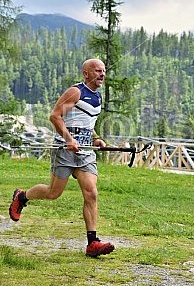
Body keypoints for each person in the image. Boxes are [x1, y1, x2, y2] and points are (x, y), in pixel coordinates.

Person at [9, 58, 115, 258]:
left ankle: (92, 243)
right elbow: (55, 116)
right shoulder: (76, 92)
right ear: (86, 74)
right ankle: (22, 197)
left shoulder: (98, 97)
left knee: (91, 192)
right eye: (97, 71)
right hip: (64, 150)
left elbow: (87, 124)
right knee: (53, 193)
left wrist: (97, 138)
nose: (102, 74)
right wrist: (68, 139)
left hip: (84, 152)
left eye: (103, 71)